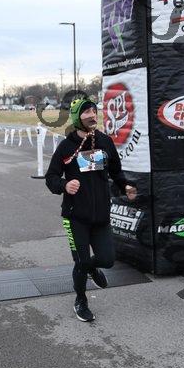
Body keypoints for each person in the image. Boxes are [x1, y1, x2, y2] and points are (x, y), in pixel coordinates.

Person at [45, 96, 137, 322]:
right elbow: (51, 177)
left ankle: (92, 268)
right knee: (81, 261)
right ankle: (81, 300)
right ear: (77, 117)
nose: (92, 115)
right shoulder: (67, 146)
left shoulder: (104, 141)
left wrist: (125, 186)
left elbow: (116, 171)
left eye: (94, 111)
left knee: (107, 259)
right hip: (75, 216)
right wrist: (64, 185)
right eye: (86, 112)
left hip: (101, 216)